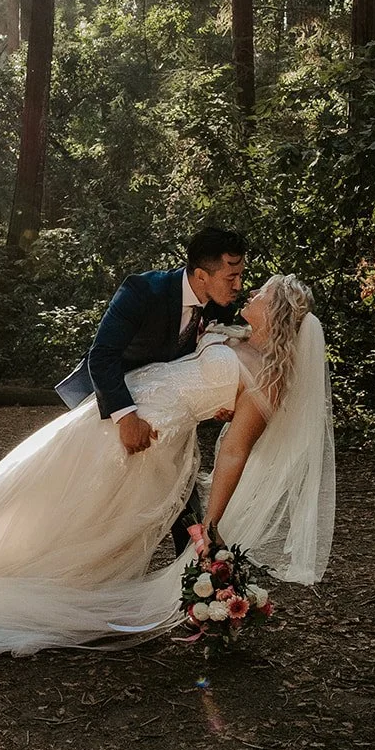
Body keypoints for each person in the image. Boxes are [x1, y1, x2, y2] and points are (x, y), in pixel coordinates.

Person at [0, 275, 335, 660]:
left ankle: (25, 574)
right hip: (121, 407)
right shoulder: (232, 335)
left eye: (261, 293)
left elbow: (234, 450)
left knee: (84, 508)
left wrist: (212, 520)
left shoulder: (268, 381)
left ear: (275, 313)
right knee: (46, 465)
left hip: (151, 441)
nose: (250, 293)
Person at [55, 226, 247, 554]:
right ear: (202, 275)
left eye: (241, 275)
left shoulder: (222, 307)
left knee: (179, 490)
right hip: (110, 406)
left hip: (170, 421)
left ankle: (196, 578)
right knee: (90, 502)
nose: (239, 285)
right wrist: (125, 416)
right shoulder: (143, 290)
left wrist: (221, 401)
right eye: (231, 277)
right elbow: (102, 356)